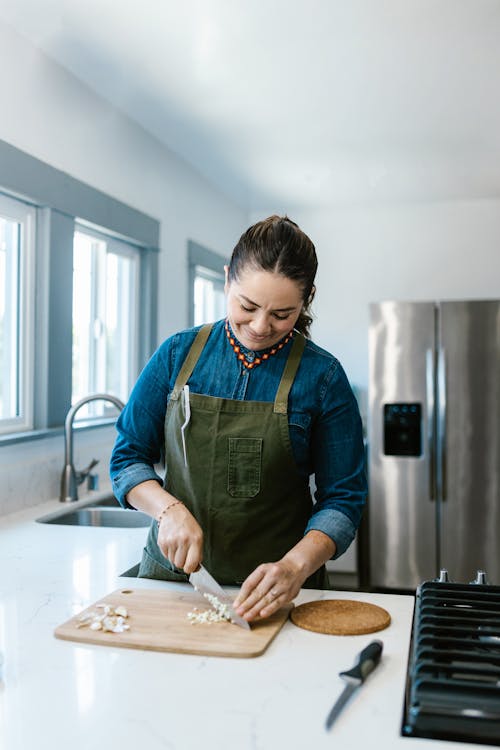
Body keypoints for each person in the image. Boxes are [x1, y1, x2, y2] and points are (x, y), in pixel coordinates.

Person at [110, 215, 366, 622]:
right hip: (175, 583)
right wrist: (167, 510)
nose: (261, 327)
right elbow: (127, 459)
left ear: (307, 299)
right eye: (247, 306)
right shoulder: (177, 355)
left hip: (279, 594)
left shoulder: (324, 378)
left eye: (283, 314)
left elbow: (344, 499)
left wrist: (296, 566)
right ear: (227, 279)